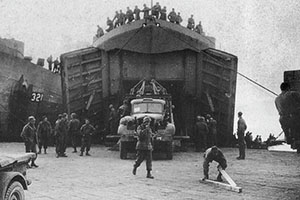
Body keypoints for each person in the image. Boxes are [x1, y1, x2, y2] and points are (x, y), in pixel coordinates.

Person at [275, 82, 300, 150]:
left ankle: (292, 142)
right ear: (288, 88)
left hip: (282, 119)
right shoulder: (292, 94)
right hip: (293, 118)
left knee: (290, 137)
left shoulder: (277, 99)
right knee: (297, 136)